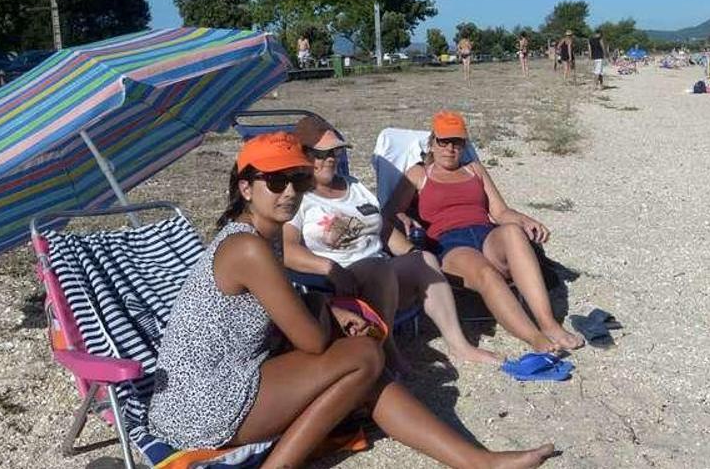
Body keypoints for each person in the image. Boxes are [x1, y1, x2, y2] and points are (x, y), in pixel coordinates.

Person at [147, 132, 554, 469]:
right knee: (361, 355)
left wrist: (331, 309)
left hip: (224, 381)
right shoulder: (248, 248)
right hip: (200, 403)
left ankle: (475, 461)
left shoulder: (262, 236)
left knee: (366, 368)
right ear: (245, 187)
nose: (289, 192)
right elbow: (311, 341)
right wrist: (329, 313)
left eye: (299, 181)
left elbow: (285, 304)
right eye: (276, 181)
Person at [283, 116, 502, 365]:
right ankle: (389, 351)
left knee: (425, 259)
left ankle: (460, 346)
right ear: (302, 156)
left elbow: (382, 229)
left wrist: (411, 252)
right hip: (338, 281)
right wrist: (328, 268)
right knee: (379, 267)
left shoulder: (354, 186)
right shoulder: (298, 197)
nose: (330, 158)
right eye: (320, 154)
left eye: (334, 151)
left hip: (382, 272)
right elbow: (286, 249)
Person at [388, 111, 584, 353]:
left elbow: (500, 212)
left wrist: (524, 219)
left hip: (485, 233)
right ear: (432, 143)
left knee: (512, 231)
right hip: (449, 244)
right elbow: (390, 212)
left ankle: (549, 324)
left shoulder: (475, 170)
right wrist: (404, 216)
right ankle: (534, 337)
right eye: (444, 141)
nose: (450, 148)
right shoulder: (419, 175)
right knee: (485, 271)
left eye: (457, 142)